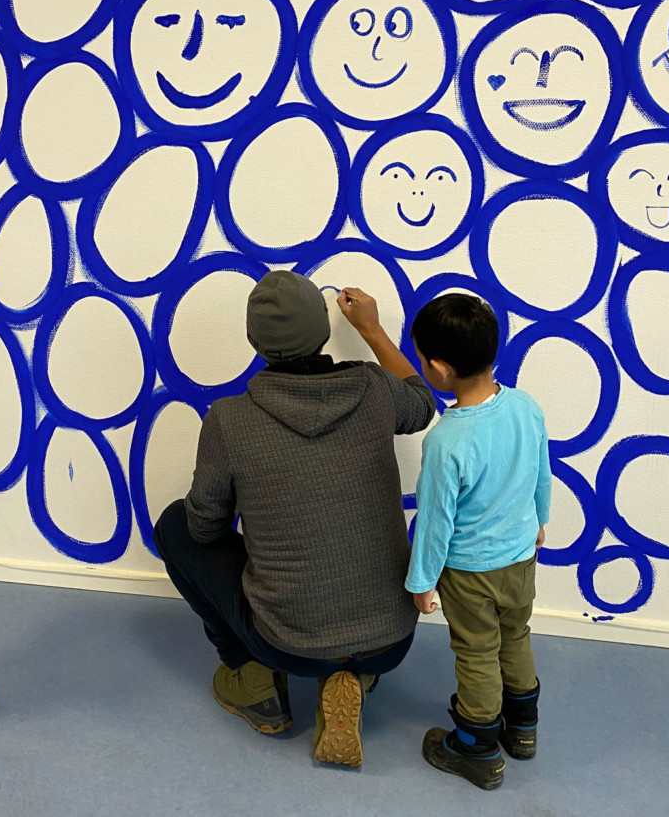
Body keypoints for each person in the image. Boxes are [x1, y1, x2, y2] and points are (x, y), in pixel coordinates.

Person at [153, 271, 435, 767]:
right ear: (325, 331)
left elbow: (203, 531)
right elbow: (423, 402)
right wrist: (370, 330)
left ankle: (253, 679)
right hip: (393, 638)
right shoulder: (374, 390)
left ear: (253, 342)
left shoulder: (230, 418)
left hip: (291, 645)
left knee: (176, 525)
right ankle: (353, 674)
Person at [406, 292, 550, 790]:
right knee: (516, 635)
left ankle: (477, 746)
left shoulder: (446, 440)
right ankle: (524, 729)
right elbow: (540, 472)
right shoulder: (526, 407)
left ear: (439, 369)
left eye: (420, 357)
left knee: (476, 652)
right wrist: (540, 519)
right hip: (521, 558)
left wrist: (422, 581)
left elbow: (435, 523)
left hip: (470, 573)